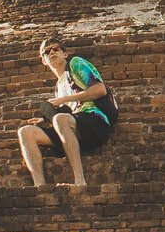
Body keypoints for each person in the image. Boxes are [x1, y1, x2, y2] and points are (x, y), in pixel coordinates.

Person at [17, 37, 113, 187]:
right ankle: (39, 186)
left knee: (60, 119)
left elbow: (100, 90)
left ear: (65, 54)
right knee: (26, 132)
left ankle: (79, 181)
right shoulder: (58, 87)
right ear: (43, 60)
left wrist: (64, 100)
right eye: (46, 52)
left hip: (95, 120)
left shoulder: (75, 64)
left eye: (56, 49)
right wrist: (44, 120)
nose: (52, 53)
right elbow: (69, 111)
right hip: (74, 127)